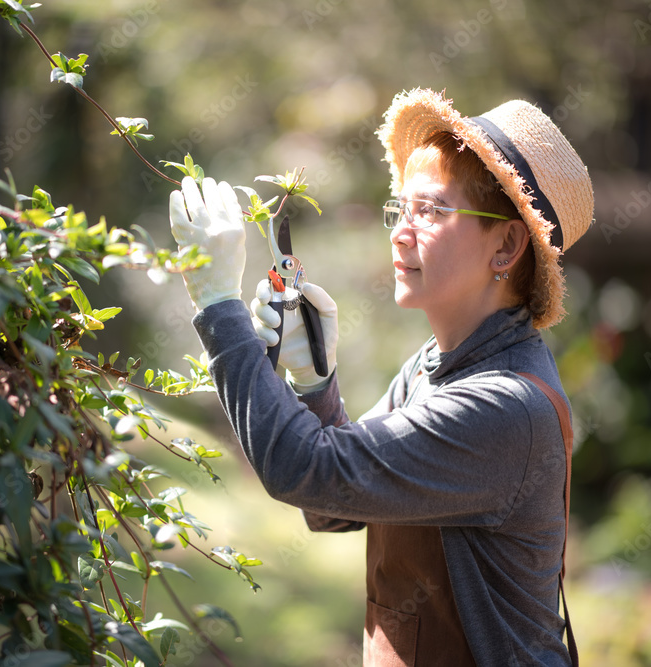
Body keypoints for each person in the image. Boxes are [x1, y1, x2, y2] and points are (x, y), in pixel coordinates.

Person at [168, 88, 594, 666]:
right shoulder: (433, 365)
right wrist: (315, 387)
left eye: (432, 211)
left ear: (507, 245)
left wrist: (218, 305)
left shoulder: (505, 406)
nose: (399, 230)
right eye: (403, 208)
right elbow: (335, 506)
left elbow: (306, 469)